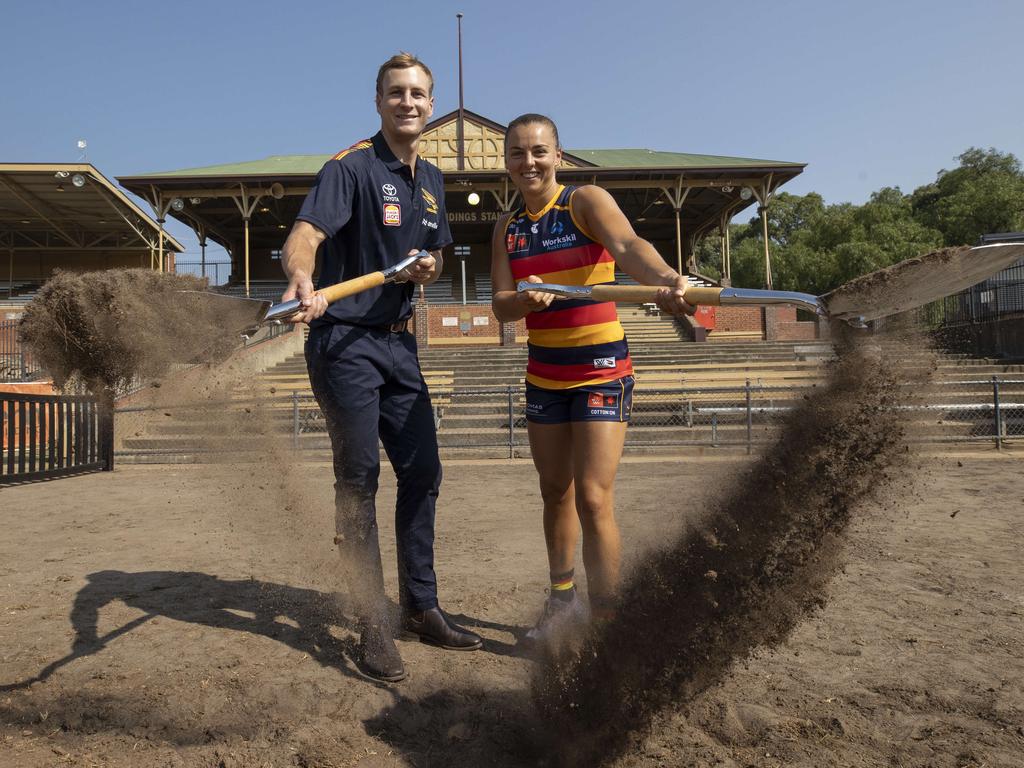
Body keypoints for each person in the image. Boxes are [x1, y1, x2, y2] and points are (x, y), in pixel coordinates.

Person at [280, 52, 481, 684]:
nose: (409, 103)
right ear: (378, 101)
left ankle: (420, 605)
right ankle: (372, 622)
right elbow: (305, 234)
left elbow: (439, 256)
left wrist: (429, 268)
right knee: (360, 477)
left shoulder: (432, 180)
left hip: (400, 343)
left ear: (430, 103)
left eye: (419, 94)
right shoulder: (351, 168)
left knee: (423, 470)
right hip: (344, 342)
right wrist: (302, 278)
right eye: (397, 93)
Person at [490, 113, 694, 650]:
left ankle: (607, 623)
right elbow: (500, 306)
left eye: (538, 151)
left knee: (594, 498)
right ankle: (563, 603)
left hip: (600, 366)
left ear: (558, 156)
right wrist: (526, 298)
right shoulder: (507, 229)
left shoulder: (584, 202)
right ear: (505, 161)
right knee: (555, 490)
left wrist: (669, 280)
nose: (528, 162)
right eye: (517, 153)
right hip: (543, 372)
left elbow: (628, 249)